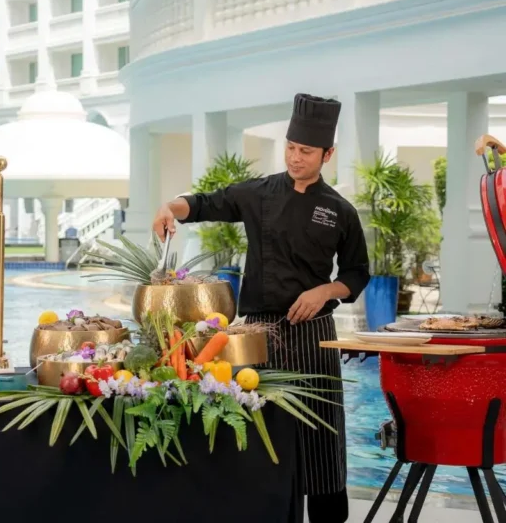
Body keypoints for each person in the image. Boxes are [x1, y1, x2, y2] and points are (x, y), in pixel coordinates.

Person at [152, 93, 370, 523]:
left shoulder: (339, 210)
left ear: (328, 154)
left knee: (320, 430)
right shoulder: (260, 193)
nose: (295, 157)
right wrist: (168, 207)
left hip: (314, 336)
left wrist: (324, 292)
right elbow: (205, 203)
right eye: (291, 147)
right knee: (265, 430)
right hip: (256, 336)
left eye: (305, 151)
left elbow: (358, 273)